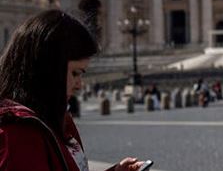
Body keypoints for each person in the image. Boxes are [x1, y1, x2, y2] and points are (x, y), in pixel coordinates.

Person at [0, 9, 147, 171]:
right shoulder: (18, 136)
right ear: (46, 69)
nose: (80, 85)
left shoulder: (54, 117)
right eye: (75, 73)